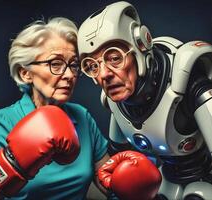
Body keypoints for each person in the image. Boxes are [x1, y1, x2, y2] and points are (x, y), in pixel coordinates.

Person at [0, 17, 161, 200]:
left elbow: (105, 179)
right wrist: (12, 162)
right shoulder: (5, 120)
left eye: (73, 65)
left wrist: (132, 188)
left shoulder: (82, 117)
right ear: (26, 73)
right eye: (56, 63)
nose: (69, 75)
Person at [78, 1, 212, 200]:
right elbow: (116, 155)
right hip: (163, 181)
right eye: (92, 66)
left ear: (141, 45)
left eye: (114, 57)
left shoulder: (187, 81)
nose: (103, 74)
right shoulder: (115, 101)